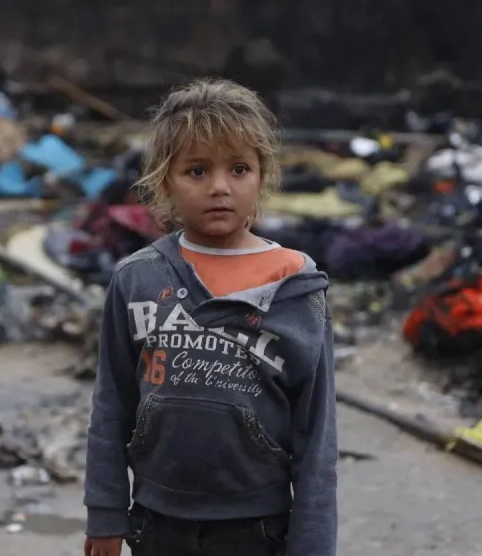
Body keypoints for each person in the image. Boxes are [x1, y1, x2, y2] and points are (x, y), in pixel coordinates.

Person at [84, 78, 337, 556]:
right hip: (155, 521)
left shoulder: (297, 287)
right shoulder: (137, 278)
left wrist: (314, 546)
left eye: (239, 168)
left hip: (256, 527)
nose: (220, 187)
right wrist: (106, 512)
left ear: (263, 176)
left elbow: (316, 435)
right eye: (197, 171)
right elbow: (111, 404)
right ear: (164, 180)